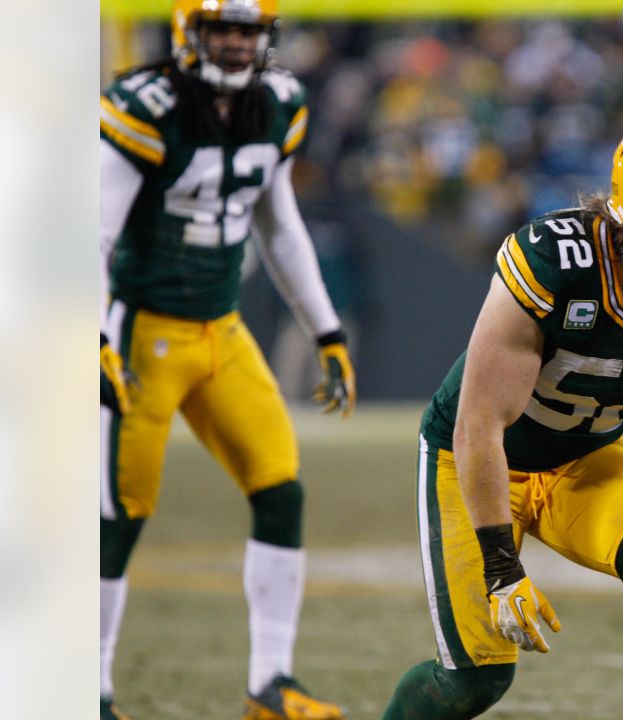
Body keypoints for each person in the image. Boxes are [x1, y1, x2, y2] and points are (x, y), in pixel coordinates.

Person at [382, 114, 623, 720]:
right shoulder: (558, 262)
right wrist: (501, 566)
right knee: (474, 682)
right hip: (475, 460)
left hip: (584, 456)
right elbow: (479, 426)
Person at [98, 2, 355, 718]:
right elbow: (95, 233)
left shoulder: (278, 103)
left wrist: (326, 330)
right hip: (142, 332)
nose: (238, 43)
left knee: (280, 489)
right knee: (117, 515)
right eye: (223, 29)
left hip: (221, 330)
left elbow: (280, 224)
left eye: (249, 30)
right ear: (191, 31)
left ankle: (270, 683)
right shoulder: (145, 107)